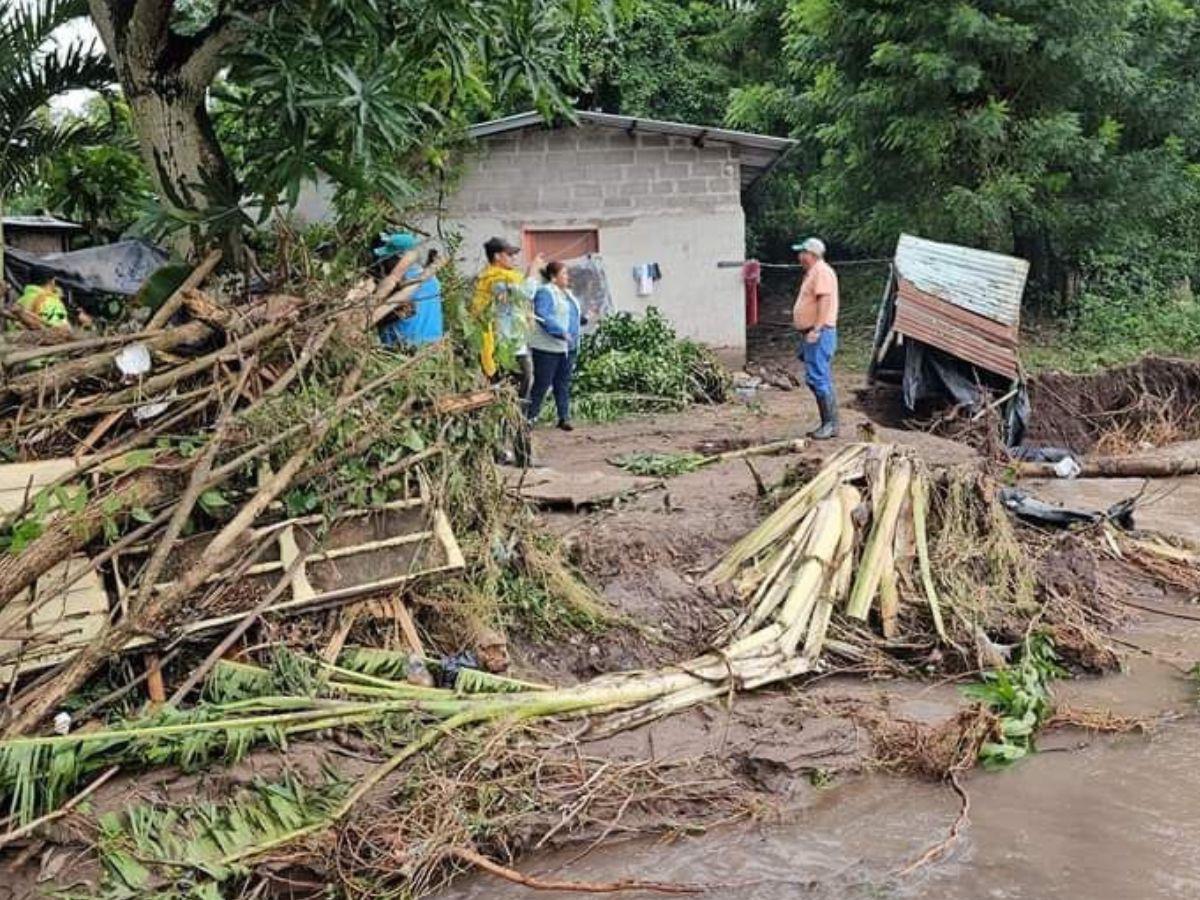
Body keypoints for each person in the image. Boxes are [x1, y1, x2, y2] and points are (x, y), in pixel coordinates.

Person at [471, 236, 542, 463]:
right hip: (506, 353)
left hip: (512, 350)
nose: (513, 258)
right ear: (497, 257)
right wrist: (533, 272)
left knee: (509, 405)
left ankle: (506, 454)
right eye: (509, 254)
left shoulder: (502, 278)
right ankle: (518, 456)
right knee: (514, 406)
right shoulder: (496, 281)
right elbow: (525, 294)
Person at [792, 236, 839, 440]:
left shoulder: (821, 272)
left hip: (819, 333)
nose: (799, 256)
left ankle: (830, 424)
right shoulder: (814, 273)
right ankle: (829, 423)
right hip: (812, 332)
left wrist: (817, 329)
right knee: (817, 377)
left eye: (802, 252)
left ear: (811, 254)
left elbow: (825, 302)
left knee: (818, 377)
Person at [526, 261, 581, 430]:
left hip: (567, 347)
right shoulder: (545, 292)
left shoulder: (567, 294)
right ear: (553, 277)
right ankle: (530, 418)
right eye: (564, 274)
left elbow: (571, 315)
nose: (567, 277)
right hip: (547, 348)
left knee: (562, 383)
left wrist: (584, 318)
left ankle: (564, 417)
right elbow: (543, 315)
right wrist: (559, 331)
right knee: (542, 384)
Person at [374, 234, 443, 347]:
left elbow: (375, 316)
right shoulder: (433, 280)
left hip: (404, 346)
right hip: (432, 345)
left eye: (388, 258)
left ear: (399, 258)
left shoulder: (401, 282)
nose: (384, 262)